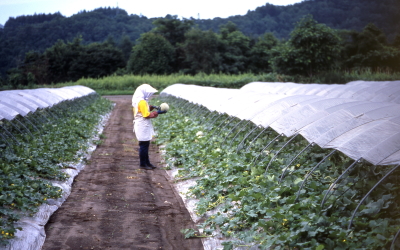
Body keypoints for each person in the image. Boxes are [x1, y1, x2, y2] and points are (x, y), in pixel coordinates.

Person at [132, 84, 166, 170]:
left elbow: (140, 111)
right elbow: (146, 115)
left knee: (145, 144)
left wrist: (150, 108)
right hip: (142, 124)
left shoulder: (137, 100)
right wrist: (157, 113)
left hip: (140, 124)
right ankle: (143, 164)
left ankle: (147, 162)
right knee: (144, 145)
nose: (149, 95)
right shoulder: (142, 102)